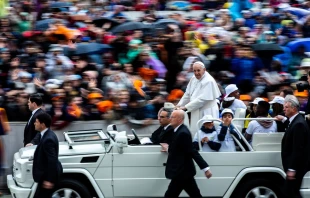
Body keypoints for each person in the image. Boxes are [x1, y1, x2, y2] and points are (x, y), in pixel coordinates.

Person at [161, 110, 212, 198]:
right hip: (184, 173)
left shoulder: (183, 133)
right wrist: (168, 148)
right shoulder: (178, 130)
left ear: (180, 120)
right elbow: (180, 149)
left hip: (181, 172)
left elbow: (192, 151)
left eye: (172, 117)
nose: (170, 119)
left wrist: (205, 169)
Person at [275, 95, 310, 198]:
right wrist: (283, 120)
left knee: (290, 192)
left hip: (297, 167)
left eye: (286, 107)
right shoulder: (296, 121)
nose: (283, 109)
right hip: (296, 167)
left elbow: (297, 149)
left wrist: (292, 169)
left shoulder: (298, 124)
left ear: (294, 109)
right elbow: (291, 127)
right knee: (292, 192)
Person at [177, 61, 221, 132]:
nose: (196, 73)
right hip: (196, 109)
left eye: (198, 70)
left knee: (207, 134)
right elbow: (187, 94)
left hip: (207, 111)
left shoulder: (209, 81)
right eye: (194, 71)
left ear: (204, 70)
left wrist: (185, 107)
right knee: (196, 133)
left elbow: (202, 99)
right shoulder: (193, 78)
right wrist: (179, 105)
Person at [32, 113, 63, 198]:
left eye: (36, 122)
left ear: (42, 124)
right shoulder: (46, 134)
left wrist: (49, 180)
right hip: (44, 176)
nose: (34, 123)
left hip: (46, 178)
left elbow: (52, 160)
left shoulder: (48, 139)